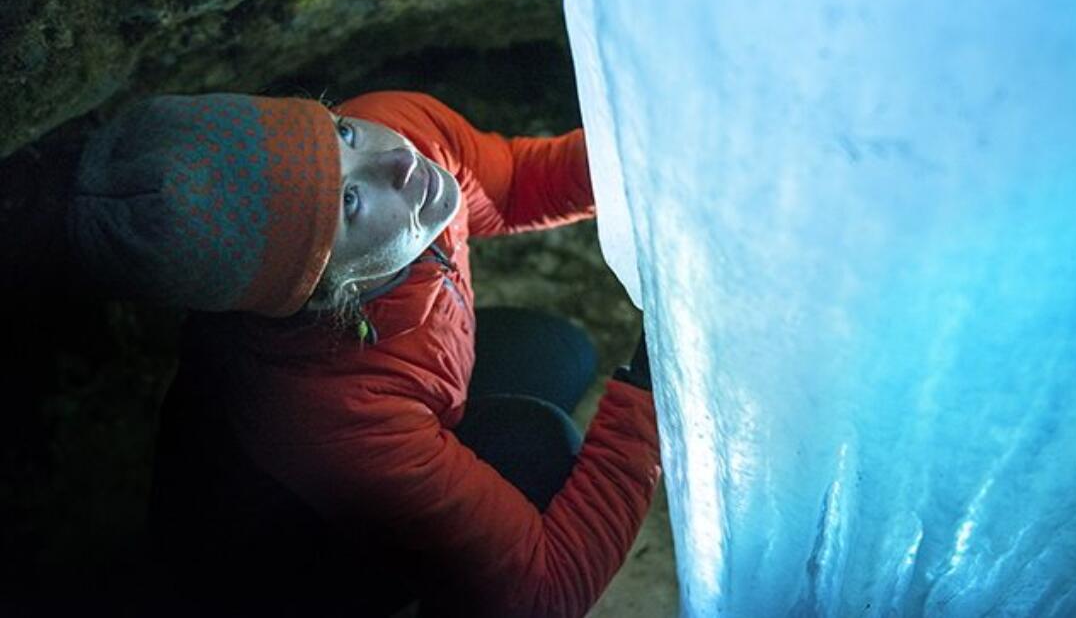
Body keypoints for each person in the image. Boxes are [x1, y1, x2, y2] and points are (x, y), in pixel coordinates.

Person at [68, 90, 660, 618]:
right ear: (331, 294)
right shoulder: (327, 412)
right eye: (349, 202)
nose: (400, 160)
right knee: (536, 447)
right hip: (272, 570)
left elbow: (509, 187)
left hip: (387, 407)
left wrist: (645, 156)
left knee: (561, 353)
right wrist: (655, 392)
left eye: (339, 134)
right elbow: (544, 590)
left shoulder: (394, 130)